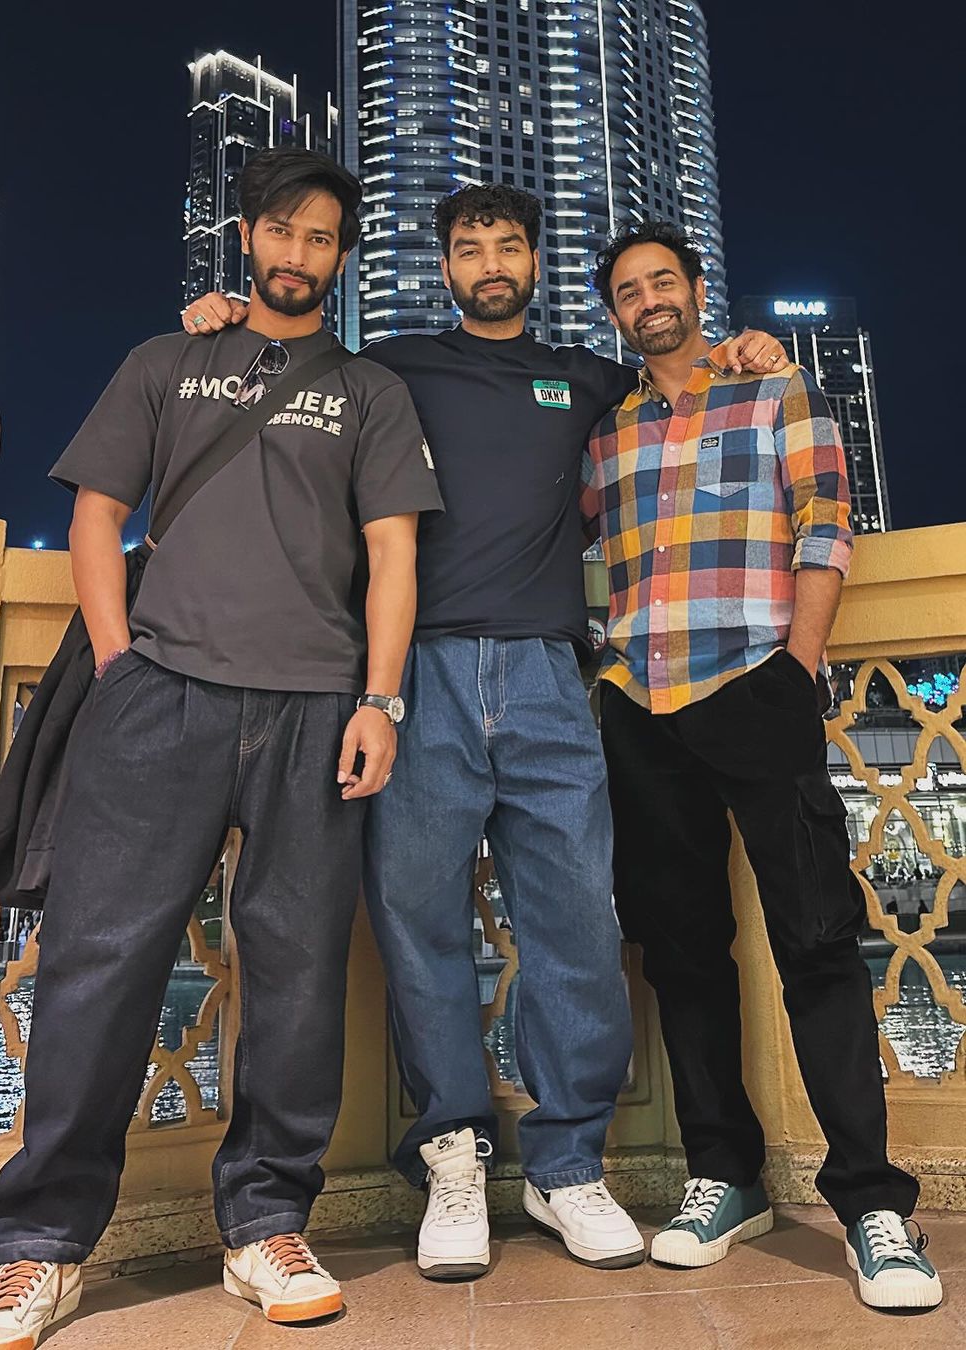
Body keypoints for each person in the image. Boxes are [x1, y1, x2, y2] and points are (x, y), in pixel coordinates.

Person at [183, 183, 785, 1281]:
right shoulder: (395, 365)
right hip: (419, 675)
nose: (491, 261)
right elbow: (286, 374)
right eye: (470, 248)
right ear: (445, 268)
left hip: (556, 676)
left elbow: (679, 380)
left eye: (510, 244)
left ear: (534, 262)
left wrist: (746, 347)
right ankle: (454, 1157)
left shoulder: (591, 380)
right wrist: (219, 315)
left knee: (577, 922)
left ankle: (566, 1165)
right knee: (418, 921)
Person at [0, 148, 443, 1350]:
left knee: (296, 968)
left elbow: (392, 555)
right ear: (246, 236)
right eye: (283, 231)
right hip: (159, 694)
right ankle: (40, 1250)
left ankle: (266, 1222)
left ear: (341, 257)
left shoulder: (370, 389)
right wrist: (121, 663)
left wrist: (380, 701)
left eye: (323, 239)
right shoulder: (168, 360)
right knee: (98, 960)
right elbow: (97, 515)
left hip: (316, 709)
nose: (299, 254)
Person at [583, 219, 942, 1311]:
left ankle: (872, 1204)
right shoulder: (605, 429)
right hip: (640, 701)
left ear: (697, 290)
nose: (649, 299)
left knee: (818, 939)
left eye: (663, 281)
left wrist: (801, 661)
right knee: (685, 952)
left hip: (756, 681)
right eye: (628, 290)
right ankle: (723, 1174)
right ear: (614, 316)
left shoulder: (778, 394)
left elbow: (823, 524)